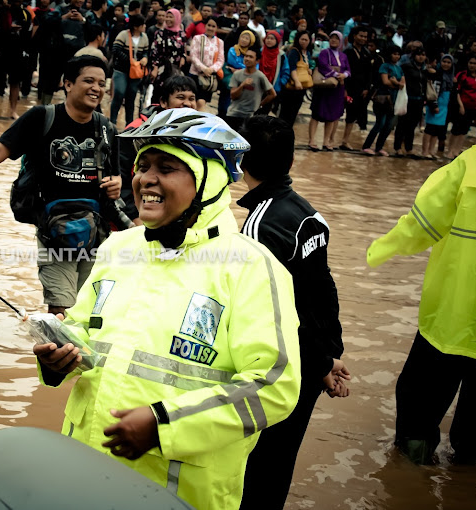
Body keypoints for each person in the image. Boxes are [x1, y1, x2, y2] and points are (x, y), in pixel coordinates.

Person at [33, 108, 302, 510]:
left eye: (167, 167)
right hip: (82, 476)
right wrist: (60, 356)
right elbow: (83, 331)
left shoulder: (251, 267)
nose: (146, 179)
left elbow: (274, 385)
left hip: (177, 495)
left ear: (208, 181)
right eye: (142, 166)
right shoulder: (118, 248)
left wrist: (164, 424)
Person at [0, 56, 121, 315]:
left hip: (96, 235)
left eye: (101, 83)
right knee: (61, 309)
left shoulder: (107, 129)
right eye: (89, 81)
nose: (96, 88)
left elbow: (117, 179)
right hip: (55, 234)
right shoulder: (42, 117)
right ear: (68, 84)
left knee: (89, 310)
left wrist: (116, 184)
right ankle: (54, 354)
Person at [237, 114, 349, 510]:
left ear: (241, 163)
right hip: (313, 360)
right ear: (290, 161)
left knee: (257, 464)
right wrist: (331, 355)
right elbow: (324, 290)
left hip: (285, 367)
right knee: (280, 461)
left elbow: (281, 312)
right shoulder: (311, 214)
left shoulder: (257, 228)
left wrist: (321, 363)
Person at [367, 143, 476, 466]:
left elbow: (422, 224)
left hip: (451, 316)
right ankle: (467, 472)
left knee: (419, 400)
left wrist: (381, 249)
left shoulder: (468, 167)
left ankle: (412, 464)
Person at [118, 75, 198, 224]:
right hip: (141, 210)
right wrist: (135, 217)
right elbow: (120, 177)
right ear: (163, 102)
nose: (187, 103)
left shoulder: (198, 134)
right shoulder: (136, 132)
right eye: (180, 97)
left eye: (191, 98)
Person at [307, 31, 350, 151]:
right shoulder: (324, 53)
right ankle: (312, 140)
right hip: (324, 87)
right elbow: (323, 65)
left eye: (337, 39)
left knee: (332, 115)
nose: (334, 40)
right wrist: (337, 74)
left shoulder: (343, 56)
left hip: (337, 90)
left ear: (340, 41)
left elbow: (348, 70)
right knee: (316, 113)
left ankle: (326, 141)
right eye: (332, 38)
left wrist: (344, 75)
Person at [361, 45, 403, 156]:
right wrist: (395, 83)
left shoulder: (399, 68)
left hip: (394, 100)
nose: (396, 56)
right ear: (390, 54)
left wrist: (395, 82)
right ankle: (366, 146)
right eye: (394, 54)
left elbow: (402, 84)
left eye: (398, 54)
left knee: (388, 126)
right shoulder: (384, 66)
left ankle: (379, 147)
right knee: (380, 123)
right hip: (383, 98)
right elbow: (385, 82)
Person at [393, 47, 433, 157]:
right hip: (407, 99)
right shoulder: (407, 67)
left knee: (412, 125)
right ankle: (397, 147)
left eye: (423, 55)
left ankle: (408, 148)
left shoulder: (424, 70)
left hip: (419, 100)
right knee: (402, 124)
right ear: (414, 56)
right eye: (419, 54)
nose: (421, 57)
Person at [446, 56, 476, 159]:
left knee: (464, 130)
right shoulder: (462, 75)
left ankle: (457, 150)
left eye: (474, 63)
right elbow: (457, 91)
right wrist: (460, 105)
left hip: (474, 107)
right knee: (456, 129)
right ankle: (450, 150)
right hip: (462, 105)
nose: (472, 65)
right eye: (470, 63)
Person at [110, 14, 149, 125]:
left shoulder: (144, 37)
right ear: (136, 26)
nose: (144, 26)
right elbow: (116, 49)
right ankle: (112, 121)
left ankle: (129, 123)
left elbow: (146, 51)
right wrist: (129, 60)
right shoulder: (123, 35)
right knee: (119, 93)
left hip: (136, 72)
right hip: (122, 70)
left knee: (131, 97)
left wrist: (145, 58)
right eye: (142, 24)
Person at [339, 25, 371, 151]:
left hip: (360, 89)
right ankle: (329, 139)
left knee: (352, 115)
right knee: (337, 112)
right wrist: (344, 88)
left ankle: (345, 140)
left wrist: (367, 88)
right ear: (354, 36)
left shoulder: (366, 53)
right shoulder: (347, 52)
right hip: (347, 86)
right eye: (361, 36)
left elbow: (369, 72)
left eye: (365, 36)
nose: (363, 38)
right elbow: (343, 70)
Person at [227, 48, 275, 131]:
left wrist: (260, 105)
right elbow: (233, 96)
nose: (247, 59)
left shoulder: (260, 76)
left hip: (250, 116)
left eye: (251, 57)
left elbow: (272, 94)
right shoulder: (237, 74)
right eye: (246, 56)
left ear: (257, 61)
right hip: (234, 114)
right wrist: (242, 85)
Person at [149, 8, 186, 103]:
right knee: (158, 94)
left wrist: (183, 58)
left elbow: (183, 49)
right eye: (167, 16)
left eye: (171, 17)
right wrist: (155, 68)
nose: (168, 19)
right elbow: (155, 51)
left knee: (172, 94)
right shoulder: (160, 33)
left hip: (175, 70)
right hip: (162, 70)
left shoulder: (181, 34)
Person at [421, 54, 454, 159]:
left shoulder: (451, 76)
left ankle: (431, 150)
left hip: (444, 107)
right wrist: (434, 105)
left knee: (437, 130)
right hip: (435, 104)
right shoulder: (436, 74)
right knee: (429, 129)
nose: (446, 64)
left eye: (449, 62)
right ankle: (425, 151)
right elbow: (432, 91)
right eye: (444, 61)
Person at [189, 18, 224, 110]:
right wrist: (203, 68)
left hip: (208, 78)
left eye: (213, 26)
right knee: (191, 102)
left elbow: (220, 60)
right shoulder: (197, 38)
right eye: (209, 25)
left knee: (202, 103)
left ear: (216, 28)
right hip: (195, 75)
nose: (211, 28)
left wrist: (210, 70)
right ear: (205, 26)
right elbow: (193, 56)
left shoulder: (219, 42)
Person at [278, 29, 311, 126]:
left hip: (301, 88)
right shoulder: (294, 51)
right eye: (302, 39)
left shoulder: (307, 52)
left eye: (306, 40)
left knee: (293, 113)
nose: (304, 41)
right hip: (292, 87)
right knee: (286, 113)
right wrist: (296, 81)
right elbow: (292, 68)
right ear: (298, 39)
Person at [257, 30, 289, 116]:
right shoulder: (260, 52)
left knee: (265, 112)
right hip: (258, 86)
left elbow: (285, 71)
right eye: (268, 38)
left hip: (272, 88)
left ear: (277, 41)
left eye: (272, 39)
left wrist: (280, 83)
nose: (269, 40)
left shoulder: (281, 55)